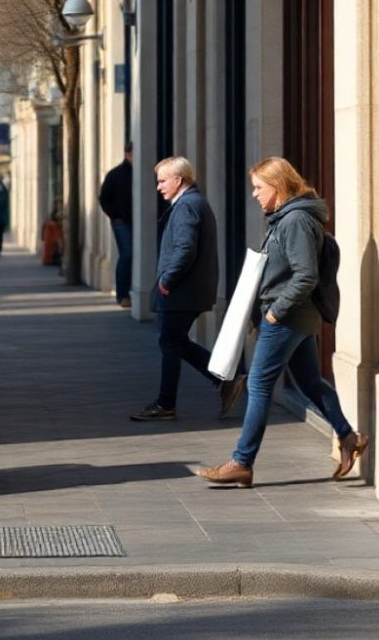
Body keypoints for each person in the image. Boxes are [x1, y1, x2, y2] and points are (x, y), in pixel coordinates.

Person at [194, 157, 364, 485]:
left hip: (287, 318)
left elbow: (305, 275)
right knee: (311, 383)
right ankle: (348, 437)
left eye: (259, 187)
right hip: (295, 317)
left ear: (279, 186)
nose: (255, 195)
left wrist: (275, 311)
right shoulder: (286, 218)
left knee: (258, 385)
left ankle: (242, 461)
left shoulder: (295, 220)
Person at [130, 157, 245, 423]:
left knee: (170, 342)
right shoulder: (192, 203)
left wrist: (167, 280)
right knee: (175, 342)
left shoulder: (187, 206)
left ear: (178, 180)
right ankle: (222, 381)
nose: (158, 187)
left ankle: (166, 404)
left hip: (182, 291)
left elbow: (185, 248)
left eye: (162, 181)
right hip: (187, 290)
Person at [100, 142, 134, 308]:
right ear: (128, 154)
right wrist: (115, 216)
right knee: (127, 254)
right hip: (122, 221)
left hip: (140, 221)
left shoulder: (147, 172)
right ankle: (123, 295)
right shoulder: (115, 175)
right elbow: (103, 198)